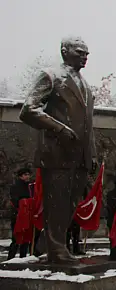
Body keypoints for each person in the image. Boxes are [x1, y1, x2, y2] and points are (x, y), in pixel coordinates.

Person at [19, 37, 97, 265]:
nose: (85, 56)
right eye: (80, 52)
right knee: (58, 203)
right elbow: (28, 110)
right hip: (57, 153)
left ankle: (54, 244)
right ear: (65, 52)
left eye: (87, 53)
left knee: (70, 204)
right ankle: (55, 249)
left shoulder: (86, 87)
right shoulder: (50, 77)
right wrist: (59, 129)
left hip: (79, 157)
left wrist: (91, 153)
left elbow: (88, 125)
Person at [7, 168, 32, 260]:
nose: (27, 176)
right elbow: (15, 200)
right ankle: (11, 258)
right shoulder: (16, 187)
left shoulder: (29, 186)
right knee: (16, 238)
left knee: (26, 238)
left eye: (28, 174)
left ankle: (23, 257)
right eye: (25, 175)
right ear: (20, 176)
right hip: (18, 214)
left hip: (27, 214)